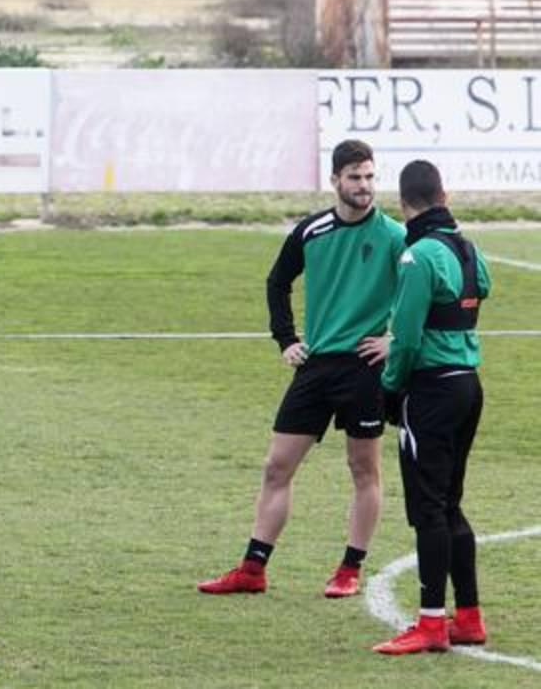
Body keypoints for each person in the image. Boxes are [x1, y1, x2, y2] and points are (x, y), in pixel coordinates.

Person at [198, 139, 405, 597]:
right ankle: (253, 569)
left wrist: (397, 340)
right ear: (335, 181)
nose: (364, 186)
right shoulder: (312, 231)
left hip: (363, 368)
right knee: (276, 466)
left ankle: (350, 569)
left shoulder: (394, 236)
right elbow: (277, 282)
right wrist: (286, 340)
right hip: (315, 367)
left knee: (363, 469)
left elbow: (422, 292)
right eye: (355, 177)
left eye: (370, 177)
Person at [373, 160, 490, 655]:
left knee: (428, 510)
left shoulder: (418, 255)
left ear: (404, 204)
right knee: (449, 502)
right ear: (444, 194)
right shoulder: (468, 248)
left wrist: (390, 388)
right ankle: (468, 616)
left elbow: (405, 337)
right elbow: (481, 288)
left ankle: (430, 623)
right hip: (468, 384)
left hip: (433, 390)